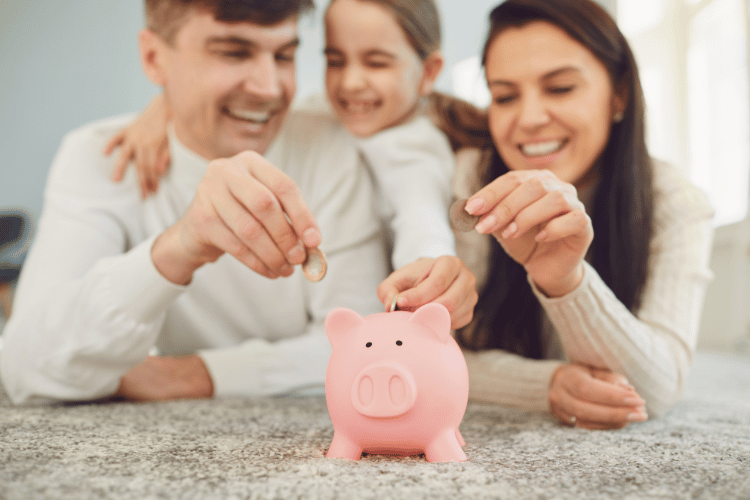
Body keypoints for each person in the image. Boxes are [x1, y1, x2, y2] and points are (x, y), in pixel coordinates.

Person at [0, 0, 475, 405]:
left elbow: (359, 342)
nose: (269, 89)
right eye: (233, 52)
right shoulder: (104, 156)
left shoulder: (335, 146)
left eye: (286, 55)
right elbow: (22, 367)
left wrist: (192, 375)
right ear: (153, 57)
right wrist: (177, 247)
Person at [438, 0, 714, 430]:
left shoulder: (675, 201)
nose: (529, 118)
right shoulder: (471, 181)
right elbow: (431, 351)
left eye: (561, 88)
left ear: (619, 93)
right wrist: (546, 384)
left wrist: (566, 280)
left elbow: (656, 388)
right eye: (505, 96)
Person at [106, 0, 463, 308]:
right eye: (335, 61)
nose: (351, 82)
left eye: (376, 63)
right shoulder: (330, 113)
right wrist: (162, 109)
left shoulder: (415, 147)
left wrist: (428, 271)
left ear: (429, 73)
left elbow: (421, 219)